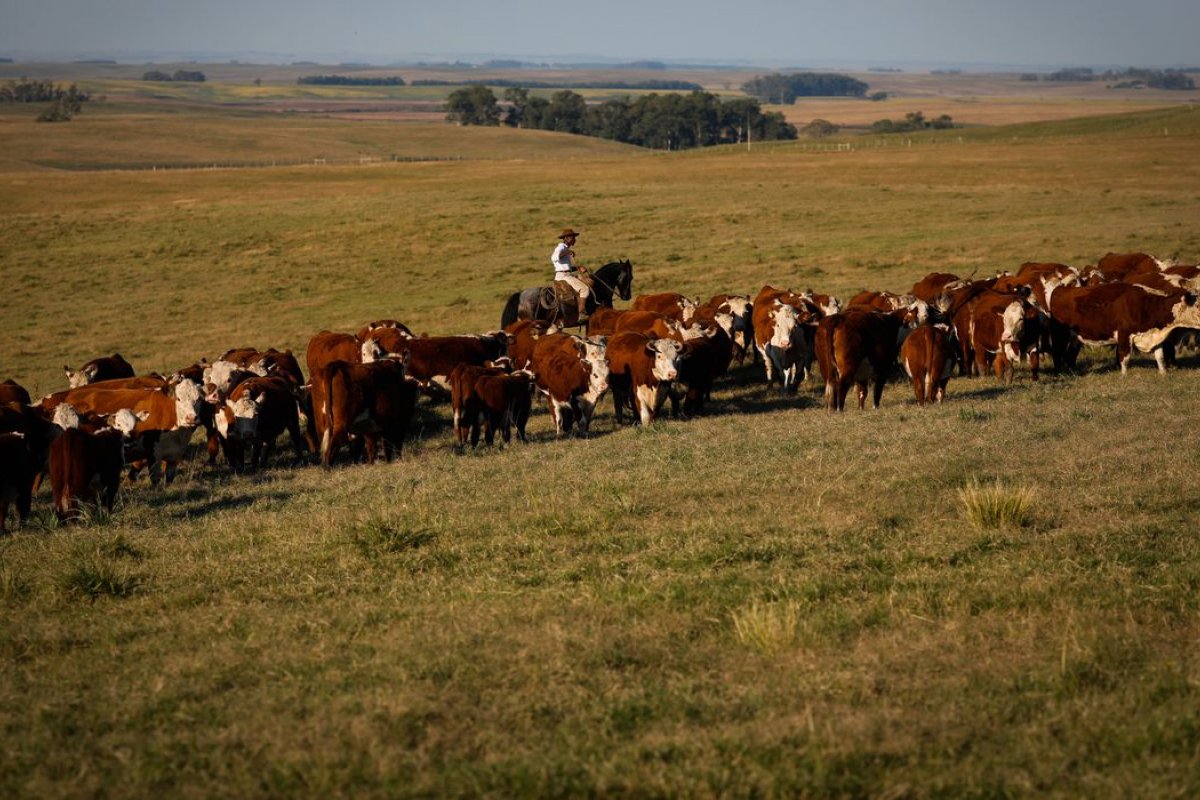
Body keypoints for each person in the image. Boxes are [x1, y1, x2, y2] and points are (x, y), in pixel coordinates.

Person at [551, 228, 591, 321]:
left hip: (565, 274)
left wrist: (578, 268)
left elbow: (564, 267)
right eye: (573, 237)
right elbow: (554, 258)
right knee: (584, 289)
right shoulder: (561, 247)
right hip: (564, 277)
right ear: (567, 238)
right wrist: (567, 252)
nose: (575, 240)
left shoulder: (565, 249)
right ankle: (581, 314)